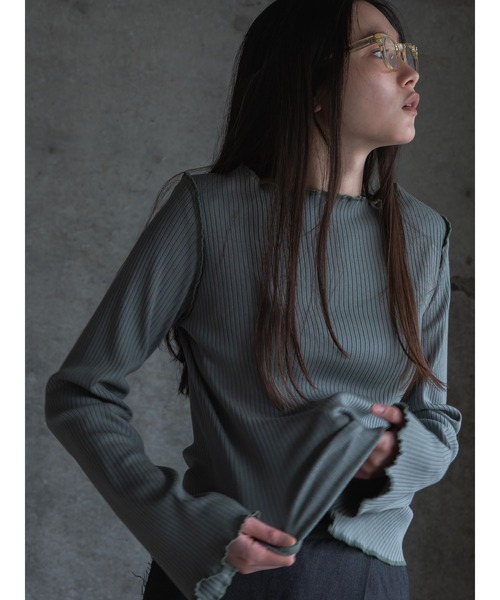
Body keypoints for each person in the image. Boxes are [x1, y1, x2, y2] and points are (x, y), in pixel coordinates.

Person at [45, 0, 462, 598]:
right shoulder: (206, 213)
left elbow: (437, 424)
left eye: (405, 51)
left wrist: (388, 451)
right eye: (379, 51)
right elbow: (81, 392)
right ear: (311, 82)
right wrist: (186, 527)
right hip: (227, 574)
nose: (410, 71)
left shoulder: (423, 236)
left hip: (365, 579)